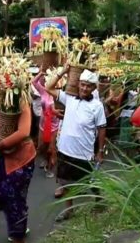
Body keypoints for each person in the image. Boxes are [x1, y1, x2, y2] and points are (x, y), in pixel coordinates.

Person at [45, 66, 106, 221]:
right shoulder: (69, 98)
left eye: (88, 86)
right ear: (78, 84)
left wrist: (100, 151)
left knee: (90, 181)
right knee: (65, 182)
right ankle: (69, 210)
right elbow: (49, 87)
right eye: (82, 84)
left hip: (84, 151)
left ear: (93, 88)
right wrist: (64, 71)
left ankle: (99, 200)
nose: (85, 88)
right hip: (65, 149)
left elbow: (101, 128)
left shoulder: (97, 106)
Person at [0, 104, 36, 243]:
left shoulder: (21, 102)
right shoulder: (1, 101)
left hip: (21, 158)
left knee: (15, 198)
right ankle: (19, 228)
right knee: (3, 195)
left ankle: (20, 240)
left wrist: (0, 144)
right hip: (5, 157)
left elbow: (23, 132)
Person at [32, 69, 61, 178]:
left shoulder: (58, 93)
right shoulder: (43, 91)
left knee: (51, 149)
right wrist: (41, 73)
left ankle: (49, 168)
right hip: (43, 123)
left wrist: (56, 112)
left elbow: (56, 109)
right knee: (41, 146)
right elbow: (34, 82)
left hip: (54, 124)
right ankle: (44, 160)